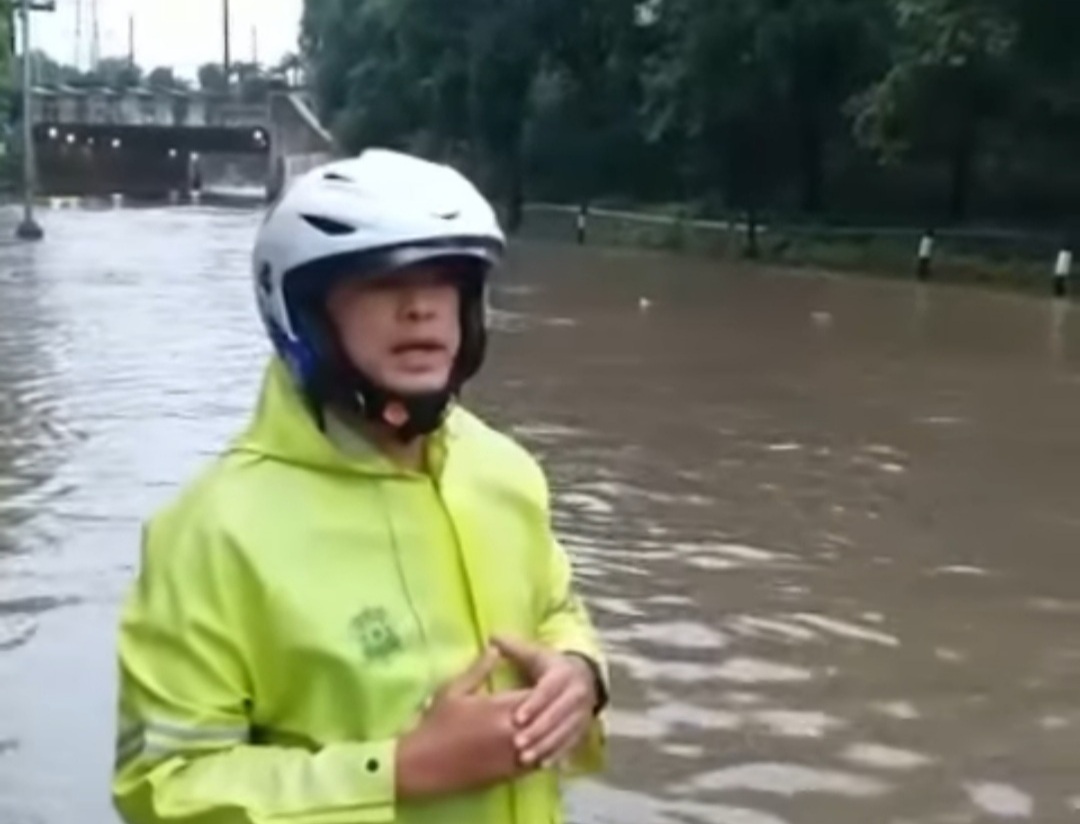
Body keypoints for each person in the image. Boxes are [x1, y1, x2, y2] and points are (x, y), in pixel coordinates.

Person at [111, 148, 609, 824]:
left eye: (445, 281)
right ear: (308, 314)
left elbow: (556, 608)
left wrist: (579, 673)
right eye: (381, 281)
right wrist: (398, 771)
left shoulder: (505, 470)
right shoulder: (211, 533)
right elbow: (163, 788)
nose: (421, 309)